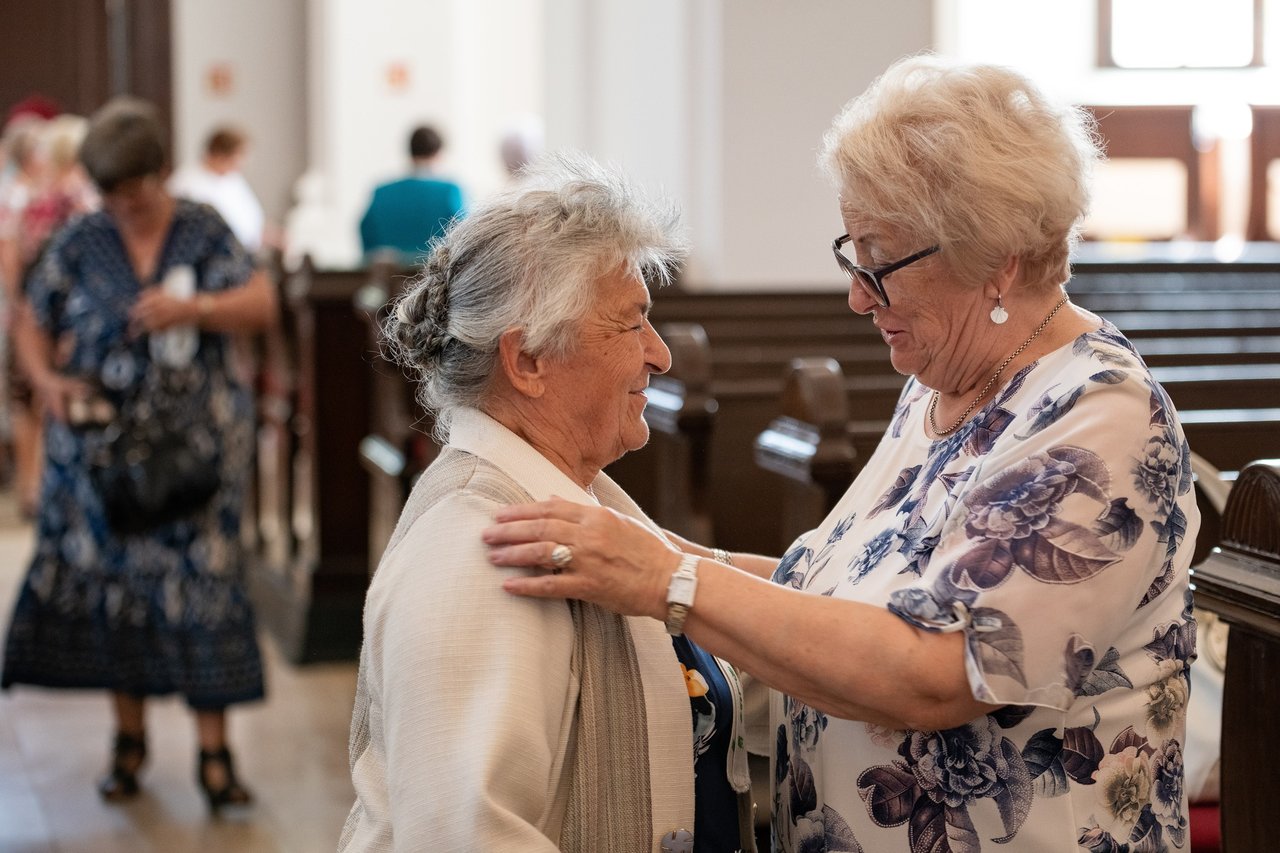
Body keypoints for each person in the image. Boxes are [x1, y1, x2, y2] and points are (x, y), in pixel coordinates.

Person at [484, 55, 1201, 852]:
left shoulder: (1100, 416)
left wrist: (667, 580)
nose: (858, 294)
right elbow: (823, 593)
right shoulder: (944, 387)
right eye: (851, 253)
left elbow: (934, 670)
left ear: (994, 256)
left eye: (880, 260)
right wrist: (659, 550)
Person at [339, 151, 754, 852]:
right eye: (632, 324)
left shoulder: (582, 499)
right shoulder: (479, 556)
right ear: (527, 360)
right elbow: (465, 837)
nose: (661, 354)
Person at [0, 96, 278, 813]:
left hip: (195, 452)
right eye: (110, 196)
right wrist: (47, 381)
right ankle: (129, 745)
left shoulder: (203, 228)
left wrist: (197, 310)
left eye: (134, 192)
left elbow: (261, 302)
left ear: (161, 172)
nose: (123, 207)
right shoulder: (79, 237)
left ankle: (216, 756)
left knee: (204, 585)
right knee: (120, 590)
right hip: (104, 456)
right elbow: (30, 318)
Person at [2, 113, 98, 519]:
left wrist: (15, 304)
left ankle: (30, 489)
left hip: (26, 312)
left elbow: (9, 256)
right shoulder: (79, 199)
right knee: (64, 399)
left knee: (28, 404)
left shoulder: (26, 198)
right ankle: (64, 488)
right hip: (66, 317)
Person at [358, 124, 465, 263]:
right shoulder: (449, 191)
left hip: (390, 277)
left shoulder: (382, 192)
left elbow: (367, 236)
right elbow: (465, 236)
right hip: (436, 276)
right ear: (438, 153)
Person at [167, 124, 266, 254]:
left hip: (241, 258)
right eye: (240, 155)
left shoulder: (233, 179)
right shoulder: (185, 184)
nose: (244, 162)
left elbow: (248, 222)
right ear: (220, 155)